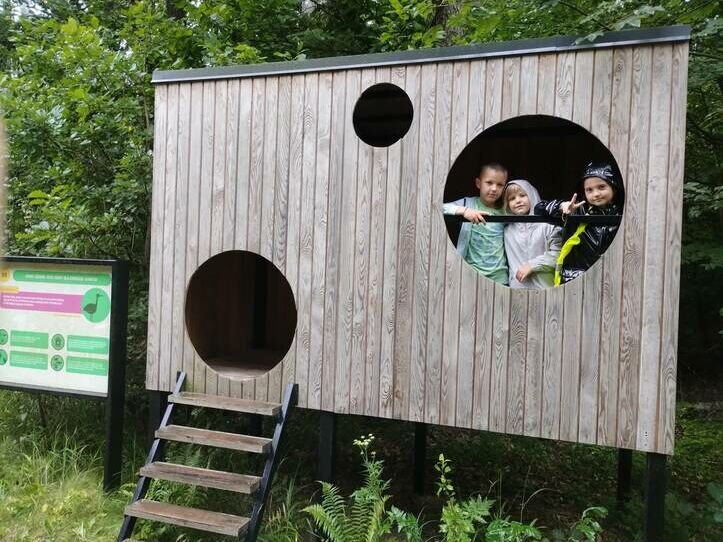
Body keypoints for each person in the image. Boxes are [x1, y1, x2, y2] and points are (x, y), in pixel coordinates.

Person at [535, 162, 624, 285]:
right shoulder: (579, 210)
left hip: (611, 278)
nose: (596, 194)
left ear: (613, 187)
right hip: (576, 280)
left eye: (601, 187)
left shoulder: (624, 212)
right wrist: (561, 207)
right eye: (589, 190)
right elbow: (539, 209)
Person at [443, 162, 508, 284]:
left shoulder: (506, 209)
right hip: (470, 274)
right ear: (478, 183)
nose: (494, 188)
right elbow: (440, 207)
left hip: (499, 277)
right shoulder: (468, 203)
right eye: (489, 183)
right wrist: (464, 211)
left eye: (500, 185)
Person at [503, 179, 562, 289]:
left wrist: (532, 265)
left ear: (532, 195)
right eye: (512, 198)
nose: (518, 200)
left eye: (522, 195)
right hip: (517, 291)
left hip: (545, 289)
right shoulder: (507, 231)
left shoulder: (549, 226)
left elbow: (558, 254)